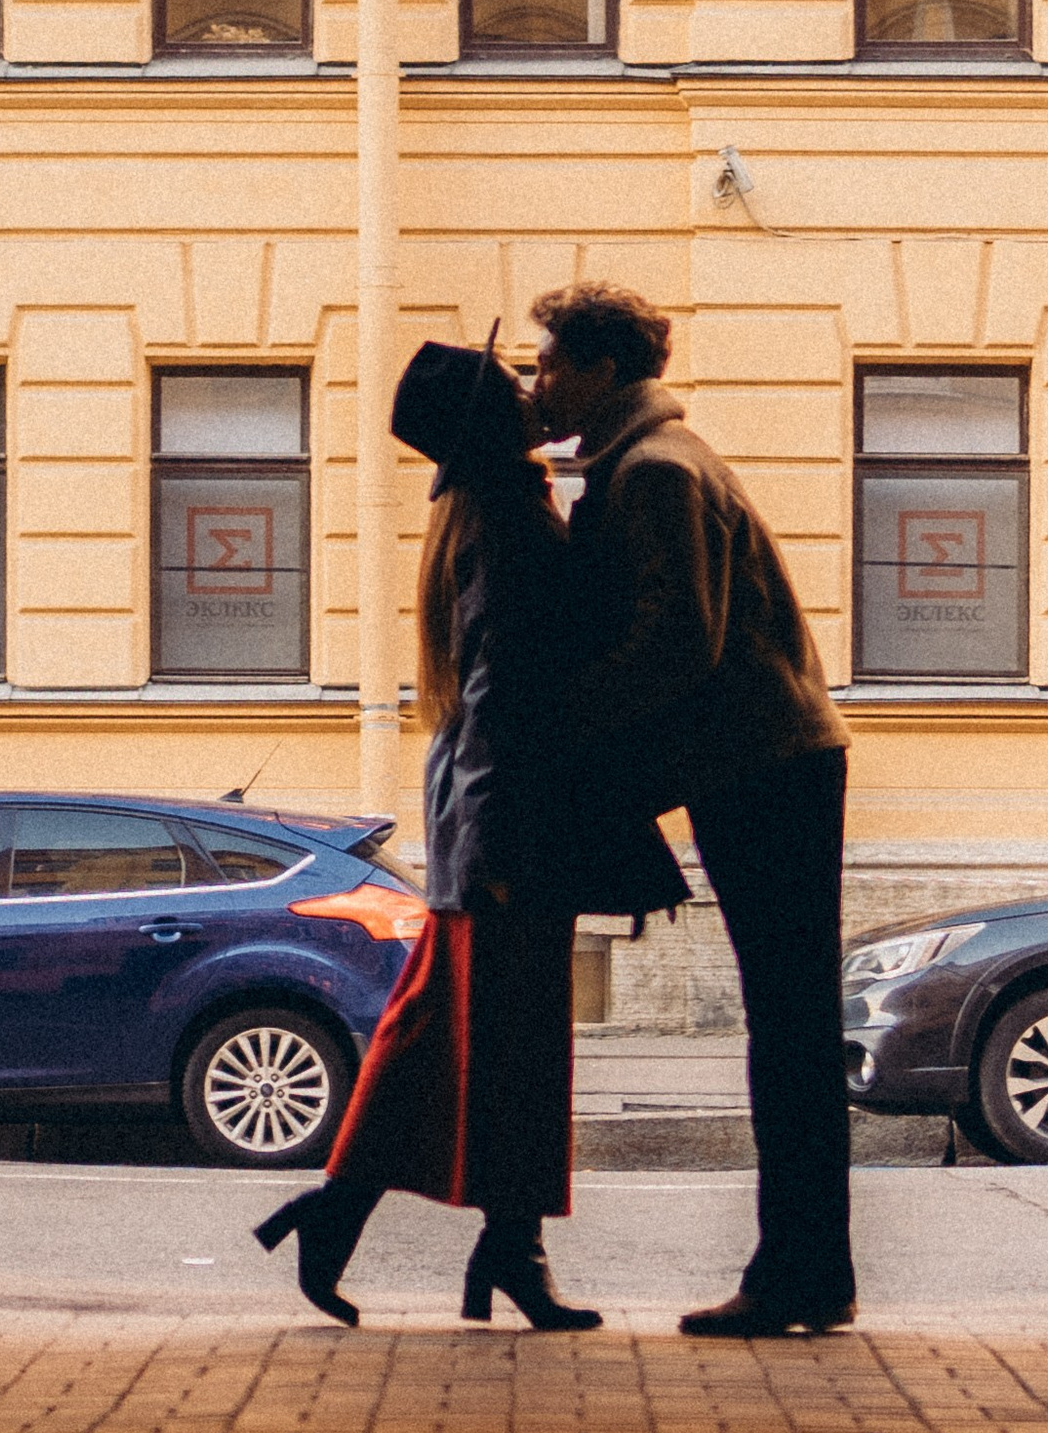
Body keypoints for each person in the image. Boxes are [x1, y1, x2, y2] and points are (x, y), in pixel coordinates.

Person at [256, 332, 686, 1329]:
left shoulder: (481, 508)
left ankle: (399, 1229)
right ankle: (495, 1251)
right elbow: (502, 696)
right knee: (513, 1051)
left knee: (437, 1040)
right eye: (514, 383)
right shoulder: (508, 519)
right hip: (510, 825)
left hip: (489, 818)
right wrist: (493, 846)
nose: (532, 390)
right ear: (490, 418)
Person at [528, 282, 856, 1338]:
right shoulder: (651, 461)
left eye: (548, 365)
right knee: (789, 1022)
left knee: (788, 1027)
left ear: (601, 370)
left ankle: (797, 1272)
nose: (537, 383)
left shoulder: (658, 473)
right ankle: (812, 1269)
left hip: (763, 765)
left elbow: (679, 644)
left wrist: (569, 731)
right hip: (767, 762)